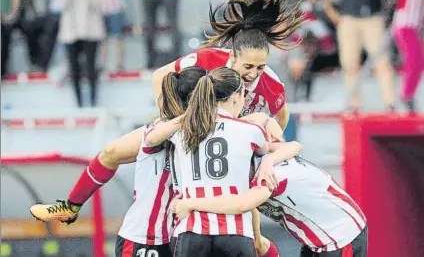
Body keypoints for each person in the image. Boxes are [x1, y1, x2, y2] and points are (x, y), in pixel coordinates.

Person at [30, 66, 293, 257]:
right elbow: (111, 152)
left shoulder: (219, 131)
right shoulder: (163, 132)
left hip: (185, 234)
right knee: (111, 152)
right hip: (147, 239)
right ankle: (69, 206)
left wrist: (267, 121)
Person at [144, 67, 303, 257]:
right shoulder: (251, 131)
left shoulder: (182, 130)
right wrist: (265, 130)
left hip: (190, 233)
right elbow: (279, 148)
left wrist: (188, 117)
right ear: (237, 96)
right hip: (235, 235)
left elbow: (150, 138)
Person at [152, 0, 304, 130]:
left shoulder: (271, 82)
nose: (253, 74)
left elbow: (282, 118)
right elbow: (159, 76)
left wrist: (269, 143)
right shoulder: (207, 59)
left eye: (260, 67)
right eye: (248, 66)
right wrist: (166, 120)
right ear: (233, 56)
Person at [172, 155, 368, 257]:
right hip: (316, 236)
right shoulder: (264, 159)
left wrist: (190, 203)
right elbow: (292, 144)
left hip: (340, 235)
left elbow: (243, 204)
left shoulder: (270, 178)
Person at [55, 0, 105, 107]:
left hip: (91, 30)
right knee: (73, 68)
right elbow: (61, 3)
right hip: (70, 31)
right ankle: (79, 104)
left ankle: (93, 101)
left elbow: (98, 3)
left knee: (91, 67)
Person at [392, 0, 424, 112]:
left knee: (418, 62)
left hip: (413, 27)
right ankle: (405, 96)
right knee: (414, 60)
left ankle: (408, 95)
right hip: (404, 26)